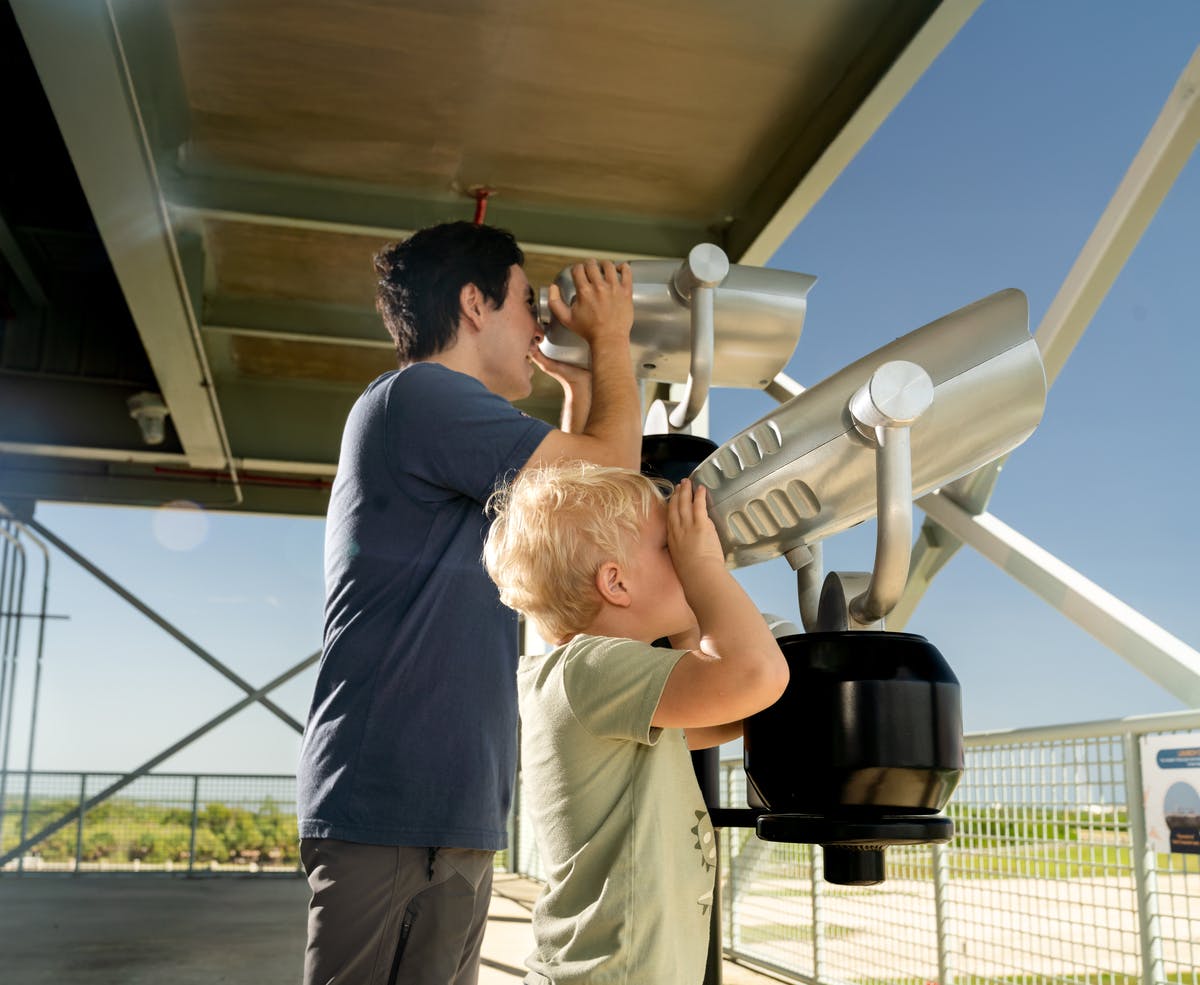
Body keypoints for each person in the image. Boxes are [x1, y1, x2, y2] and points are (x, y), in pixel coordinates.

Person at [296, 221, 642, 985]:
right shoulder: (419, 396)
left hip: (450, 809)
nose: (538, 327)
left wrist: (582, 389)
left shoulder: (452, 433)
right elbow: (614, 470)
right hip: (389, 805)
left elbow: (577, 517)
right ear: (474, 303)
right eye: (528, 303)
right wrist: (611, 340)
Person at [482, 462, 789, 985]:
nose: (686, 556)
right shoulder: (586, 671)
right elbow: (753, 677)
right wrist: (705, 570)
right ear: (616, 582)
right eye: (669, 548)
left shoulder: (601, 685)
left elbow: (729, 707)